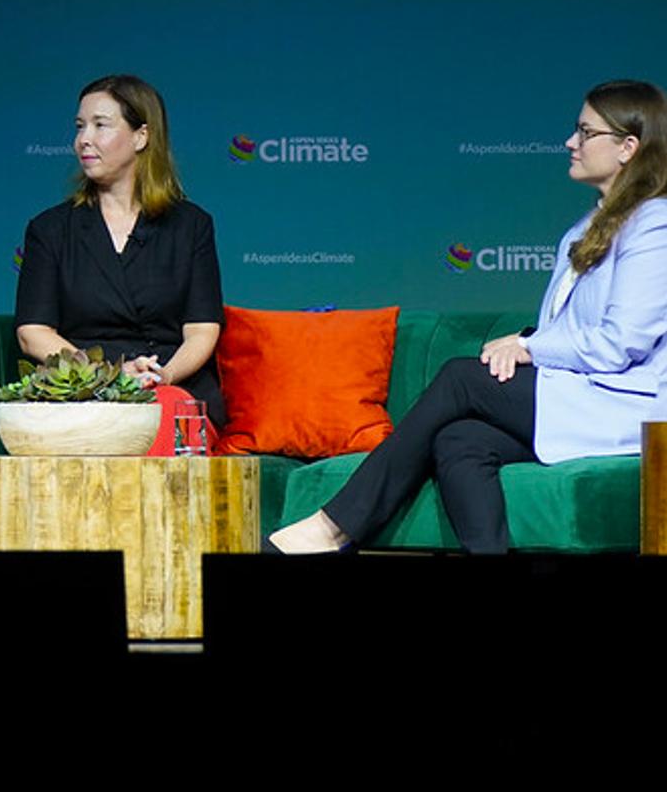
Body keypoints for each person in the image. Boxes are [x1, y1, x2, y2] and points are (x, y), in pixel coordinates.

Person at [270, 79, 667, 555]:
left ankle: (335, 526)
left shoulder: (654, 225)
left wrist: (528, 347)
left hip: (624, 407)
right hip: (580, 396)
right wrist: (526, 340)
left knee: (462, 378)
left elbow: (621, 343)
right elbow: (568, 330)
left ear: (628, 147)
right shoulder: (584, 229)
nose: (570, 142)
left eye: (585, 132)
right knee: (461, 439)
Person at [14, 74, 227, 443]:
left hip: (170, 384)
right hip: (82, 391)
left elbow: (201, 331)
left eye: (100, 125)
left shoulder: (191, 225)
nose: (84, 139)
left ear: (141, 136)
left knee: (164, 417)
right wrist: (106, 376)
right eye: (80, 126)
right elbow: (33, 334)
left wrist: (162, 377)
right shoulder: (49, 229)